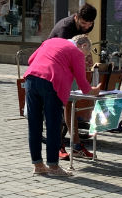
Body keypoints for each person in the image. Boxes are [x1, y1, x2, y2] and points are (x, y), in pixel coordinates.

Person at [23, 37, 93, 177]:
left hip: (31, 78)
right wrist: (95, 90)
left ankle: (38, 165)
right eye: (87, 54)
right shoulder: (77, 53)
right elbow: (83, 85)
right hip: (52, 83)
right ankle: (53, 166)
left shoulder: (51, 41)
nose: (85, 58)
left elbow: (31, 59)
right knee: (53, 125)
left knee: (34, 125)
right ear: (83, 45)